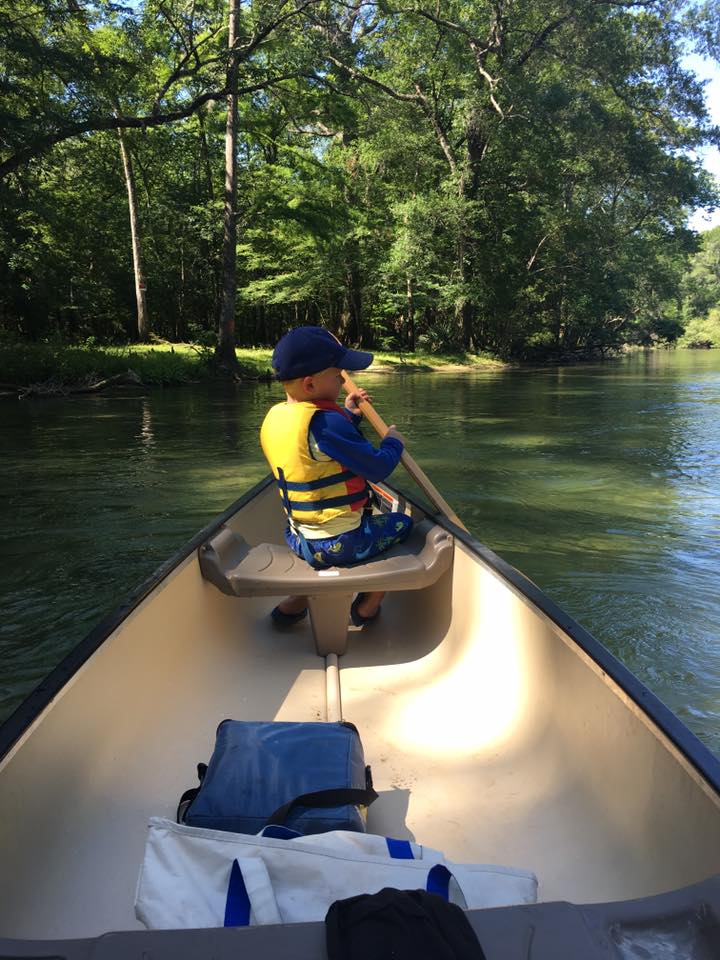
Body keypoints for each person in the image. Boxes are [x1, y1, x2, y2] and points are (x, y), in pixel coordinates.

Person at [260, 326, 413, 627]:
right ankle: (368, 604)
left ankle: (296, 602)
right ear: (309, 384)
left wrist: (351, 414)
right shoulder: (327, 423)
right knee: (403, 524)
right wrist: (393, 441)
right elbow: (377, 467)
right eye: (338, 376)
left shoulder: (276, 417)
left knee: (336, 530)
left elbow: (324, 448)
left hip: (297, 537)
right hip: (339, 544)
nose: (344, 381)